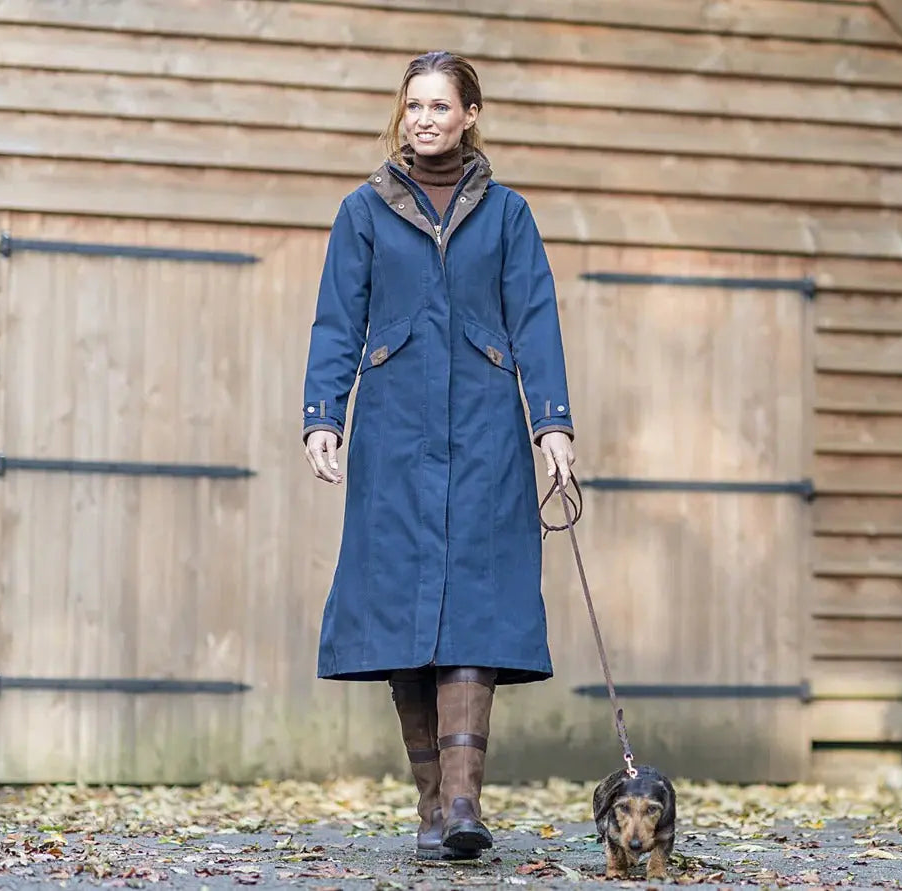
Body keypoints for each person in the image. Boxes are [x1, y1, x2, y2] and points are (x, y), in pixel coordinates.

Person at [299, 50, 577, 861]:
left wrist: (550, 425)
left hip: (487, 432)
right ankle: (430, 805)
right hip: (393, 436)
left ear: (470, 115)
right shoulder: (363, 210)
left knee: (475, 610)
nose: (423, 118)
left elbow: (536, 317)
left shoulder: (508, 214)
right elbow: (335, 321)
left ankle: (463, 803)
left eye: (439, 105)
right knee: (401, 616)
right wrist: (325, 416)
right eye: (413, 105)